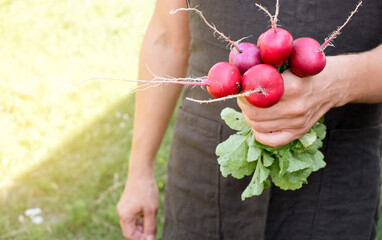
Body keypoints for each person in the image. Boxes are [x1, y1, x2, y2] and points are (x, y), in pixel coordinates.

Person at [117, 0, 382, 239]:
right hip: (204, 160)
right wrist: (139, 172)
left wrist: (340, 83)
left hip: (340, 168)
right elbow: (166, 38)